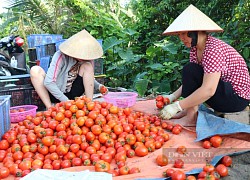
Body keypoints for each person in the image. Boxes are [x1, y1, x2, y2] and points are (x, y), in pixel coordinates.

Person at [159, 4, 250, 125]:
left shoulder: (213, 49)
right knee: (190, 70)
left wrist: (177, 106)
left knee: (191, 70)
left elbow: (209, 90)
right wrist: (172, 97)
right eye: (178, 34)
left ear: (195, 31)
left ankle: (190, 118)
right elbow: (192, 78)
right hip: (224, 92)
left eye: (183, 33)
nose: (181, 38)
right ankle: (189, 113)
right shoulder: (195, 49)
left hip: (236, 98)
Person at [30, 29, 108, 109]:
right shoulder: (60, 56)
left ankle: (89, 105)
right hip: (56, 93)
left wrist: (99, 86)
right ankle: (50, 108)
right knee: (35, 70)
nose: (83, 57)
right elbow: (49, 82)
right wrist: (66, 101)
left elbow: (88, 77)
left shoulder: (88, 60)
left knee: (87, 66)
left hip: (73, 93)